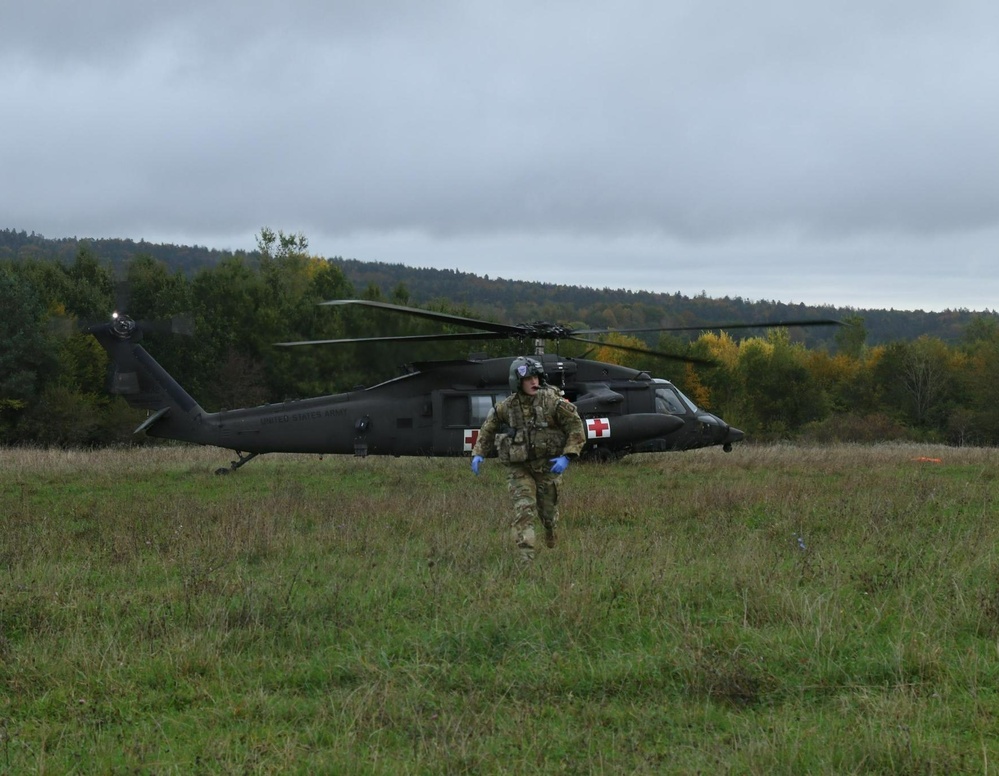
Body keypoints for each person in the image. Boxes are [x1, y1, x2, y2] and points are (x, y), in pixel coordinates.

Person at [470, 356, 586, 560]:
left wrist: (567, 456)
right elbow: (488, 430)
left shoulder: (552, 401)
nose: (534, 382)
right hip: (520, 467)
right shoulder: (506, 407)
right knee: (523, 510)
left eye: (536, 377)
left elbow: (575, 426)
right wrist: (479, 454)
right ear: (517, 382)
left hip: (547, 466)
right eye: (528, 378)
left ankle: (550, 530)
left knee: (548, 513)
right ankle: (526, 557)